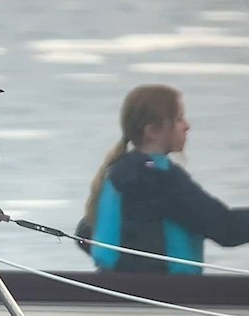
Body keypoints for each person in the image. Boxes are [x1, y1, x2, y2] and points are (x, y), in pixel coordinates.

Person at [77, 84, 249, 274]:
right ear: (152, 131)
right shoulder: (156, 178)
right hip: (162, 291)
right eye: (179, 119)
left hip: (119, 285)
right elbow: (226, 229)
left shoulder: (120, 170)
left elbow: (85, 233)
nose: (187, 126)